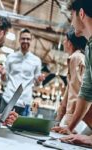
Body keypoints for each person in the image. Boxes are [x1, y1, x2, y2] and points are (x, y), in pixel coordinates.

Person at [55, 0, 92, 146]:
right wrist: (69, 128)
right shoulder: (89, 48)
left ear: (81, 14)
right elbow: (87, 92)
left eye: (72, 16)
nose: (71, 23)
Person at [0, 28, 44, 115]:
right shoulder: (11, 57)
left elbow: (36, 84)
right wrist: (3, 74)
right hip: (8, 99)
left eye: (28, 39)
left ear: (31, 41)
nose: (25, 41)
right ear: (19, 40)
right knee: (1, 126)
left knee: (22, 128)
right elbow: (4, 80)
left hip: (25, 102)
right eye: (23, 38)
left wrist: (39, 80)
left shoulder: (36, 60)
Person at [52, 29, 87, 132]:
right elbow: (69, 91)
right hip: (82, 117)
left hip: (78, 119)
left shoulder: (75, 57)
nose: (63, 42)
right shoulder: (82, 57)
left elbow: (76, 93)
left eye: (65, 40)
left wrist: (68, 122)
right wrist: (59, 116)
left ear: (70, 43)